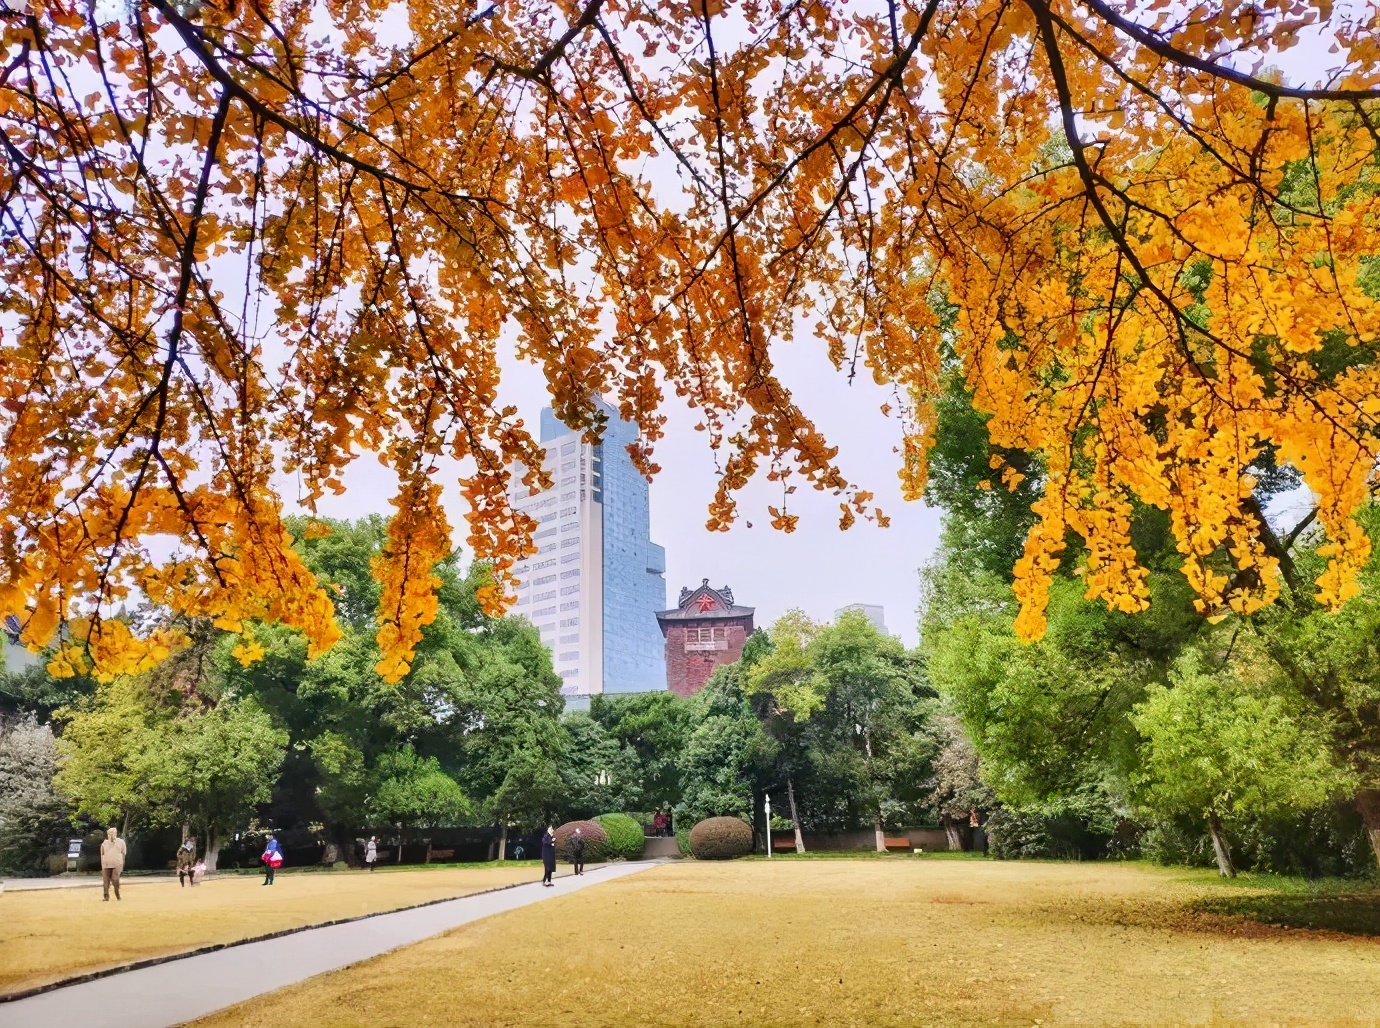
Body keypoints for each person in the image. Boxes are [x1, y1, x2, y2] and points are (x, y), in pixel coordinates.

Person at [100, 826, 126, 902]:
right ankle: (106, 897)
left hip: (117, 864)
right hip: (106, 865)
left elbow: (123, 853)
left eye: (113, 833)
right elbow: (102, 855)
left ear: (116, 834)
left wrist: (122, 864)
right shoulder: (104, 843)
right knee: (106, 882)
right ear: (108, 834)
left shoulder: (121, 842)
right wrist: (103, 865)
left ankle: (118, 896)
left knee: (115, 880)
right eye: (110, 833)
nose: (111, 835)